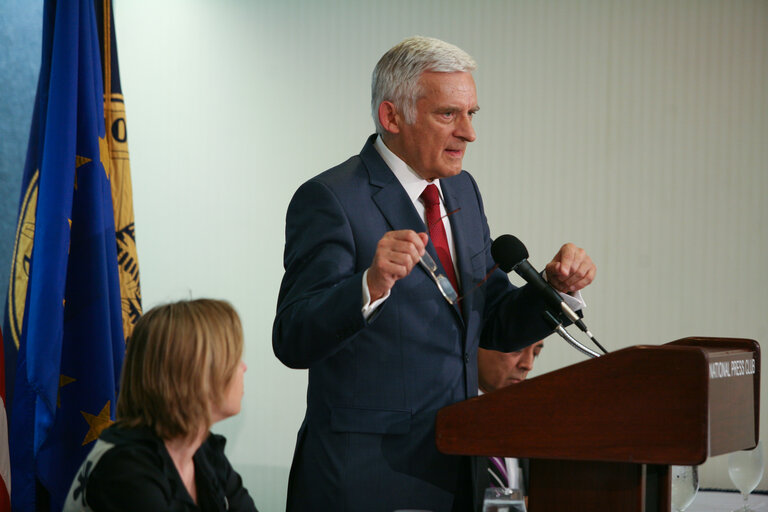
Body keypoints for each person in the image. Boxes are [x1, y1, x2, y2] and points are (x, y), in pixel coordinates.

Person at [272, 35, 596, 512]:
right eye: (449, 114)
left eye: (472, 114)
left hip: (454, 471)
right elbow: (293, 337)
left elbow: (494, 319)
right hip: (363, 482)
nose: (469, 133)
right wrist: (368, 286)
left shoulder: (461, 191)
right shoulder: (331, 199)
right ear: (392, 117)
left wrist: (555, 291)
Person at [63, 299, 258, 512]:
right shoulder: (125, 468)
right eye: (233, 358)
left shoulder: (203, 450)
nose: (244, 367)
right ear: (194, 374)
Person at [478, 340, 545, 496]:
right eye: (516, 349)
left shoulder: (531, 419)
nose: (528, 364)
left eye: (536, 353)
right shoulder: (444, 415)